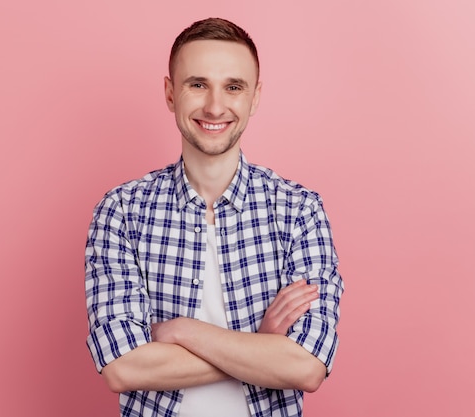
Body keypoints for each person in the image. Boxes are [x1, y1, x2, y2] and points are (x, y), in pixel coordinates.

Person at [85, 17, 344, 417]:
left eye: (233, 87)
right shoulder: (122, 212)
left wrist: (183, 331)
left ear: (255, 97)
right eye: (197, 84)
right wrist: (258, 343)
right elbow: (123, 367)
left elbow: (306, 366)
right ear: (171, 93)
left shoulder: (299, 211)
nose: (215, 106)